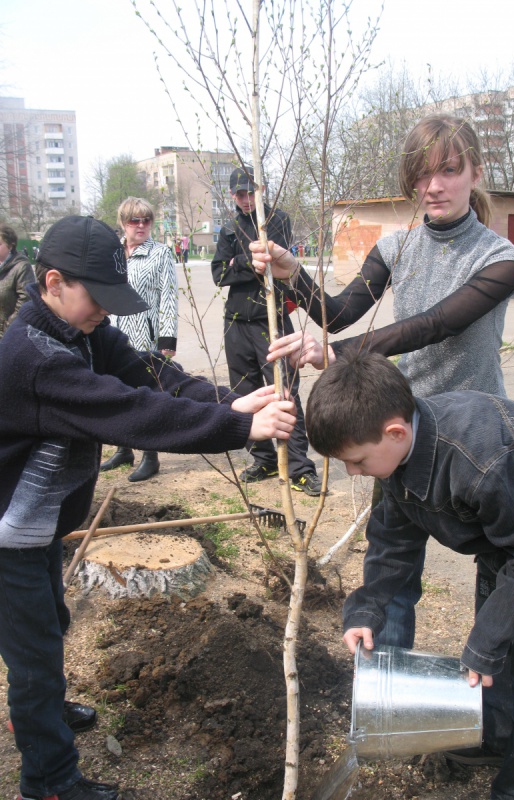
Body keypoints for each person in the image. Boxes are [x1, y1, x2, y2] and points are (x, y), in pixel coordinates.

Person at [251, 113, 514, 739]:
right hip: (397, 434)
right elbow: (339, 309)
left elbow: (435, 324)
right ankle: (392, 691)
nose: (434, 185)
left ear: (475, 173)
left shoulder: (501, 257)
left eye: (448, 170)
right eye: (422, 173)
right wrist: (292, 274)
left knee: (504, 579)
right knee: (394, 572)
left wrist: (343, 352)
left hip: (479, 445)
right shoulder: (395, 245)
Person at [0, 215, 296, 800]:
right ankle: (50, 779)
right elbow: (132, 411)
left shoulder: (79, 334)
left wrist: (231, 400)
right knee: (32, 652)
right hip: (7, 536)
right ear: (53, 283)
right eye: (98, 297)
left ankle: (43, 710)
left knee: (49, 625)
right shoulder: (33, 356)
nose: (107, 312)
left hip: (37, 528)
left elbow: (155, 378)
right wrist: (239, 428)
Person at [306, 350, 514, 800]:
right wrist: (367, 608)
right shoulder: (398, 458)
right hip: (506, 541)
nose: (353, 472)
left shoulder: (483, 459)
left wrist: (486, 643)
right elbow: (392, 542)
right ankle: (496, 738)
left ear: (395, 432)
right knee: (491, 646)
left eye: (358, 462)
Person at [211, 165, 321, 496]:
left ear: (261, 191)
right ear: (233, 196)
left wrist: (240, 264)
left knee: (284, 392)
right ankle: (264, 459)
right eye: (240, 194)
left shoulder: (277, 220)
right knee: (245, 394)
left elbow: (275, 264)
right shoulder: (229, 229)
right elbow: (219, 274)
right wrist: (246, 263)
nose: (246, 200)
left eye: (251, 193)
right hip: (236, 323)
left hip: (270, 321)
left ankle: (301, 467)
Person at [100, 197, 179, 482]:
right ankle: (123, 449)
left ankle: (150, 455)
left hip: (144, 338)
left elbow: (169, 298)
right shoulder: (112, 252)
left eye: (147, 219)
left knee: (145, 397)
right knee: (114, 392)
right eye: (135, 220)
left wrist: (167, 343)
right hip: (112, 334)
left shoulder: (160, 253)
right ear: (123, 222)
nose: (142, 225)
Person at [0, 223, 35, 339]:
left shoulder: (21, 267)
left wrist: (6, 329)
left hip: (11, 335)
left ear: (11, 245)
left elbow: (25, 301)